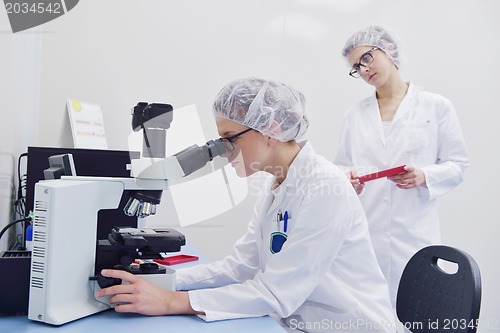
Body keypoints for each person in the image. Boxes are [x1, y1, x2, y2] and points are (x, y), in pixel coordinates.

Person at [97, 77, 396, 332]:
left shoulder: (325, 187)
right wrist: (162, 277)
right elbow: (240, 265)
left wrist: (172, 302)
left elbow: (276, 293)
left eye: (230, 138)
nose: (222, 150)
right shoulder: (278, 184)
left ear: (271, 130)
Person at [334, 26, 469, 310]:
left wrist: (425, 175)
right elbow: (343, 164)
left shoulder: (435, 106)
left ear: (390, 50)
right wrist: (348, 179)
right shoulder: (354, 115)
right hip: (367, 234)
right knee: (370, 314)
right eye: (357, 67)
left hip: (415, 234)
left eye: (367, 58)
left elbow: (457, 164)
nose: (364, 69)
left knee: (416, 310)